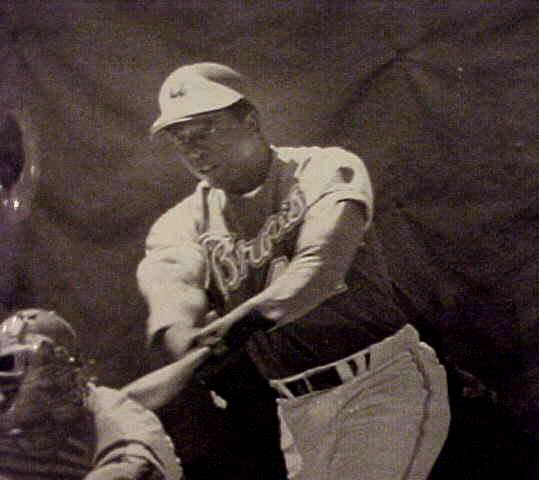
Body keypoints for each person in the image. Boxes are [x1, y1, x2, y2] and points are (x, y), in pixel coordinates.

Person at [137, 62, 450, 480]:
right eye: (181, 138)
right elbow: (172, 294)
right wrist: (183, 341)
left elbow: (318, 268)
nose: (193, 150)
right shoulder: (182, 221)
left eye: (205, 130)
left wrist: (233, 327)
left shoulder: (323, 170)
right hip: (296, 410)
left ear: (249, 120)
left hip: (378, 382)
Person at [0, 308, 183, 480]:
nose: (4, 398)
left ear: (64, 381)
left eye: (14, 389)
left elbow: (132, 469)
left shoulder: (120, 419)